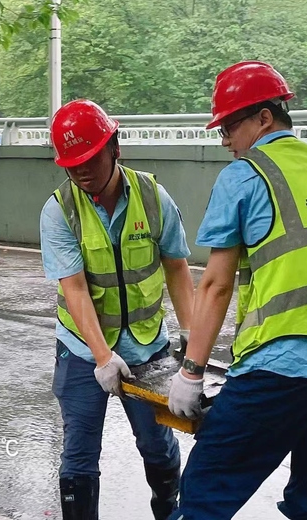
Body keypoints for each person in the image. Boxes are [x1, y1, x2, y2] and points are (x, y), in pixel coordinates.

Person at [167, 61, 307, 520]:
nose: (225, 140)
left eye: (229, 127)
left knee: (204, 497)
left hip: (283, 367)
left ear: (264, 118)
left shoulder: (246, 174)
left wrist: (191, 373)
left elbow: (215, 285)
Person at [40, 99, 195, 520]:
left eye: (90, 158)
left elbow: (177, 267)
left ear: (115, 147)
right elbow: (74, 288)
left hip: (147, 347)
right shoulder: (60, 210)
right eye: (72, 164)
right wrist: (103, 356)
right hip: (82, 350)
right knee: (79, 455)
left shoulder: (153, 197)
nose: (82, 171)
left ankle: (167, 507)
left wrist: (191, 334)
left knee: (157, 446)